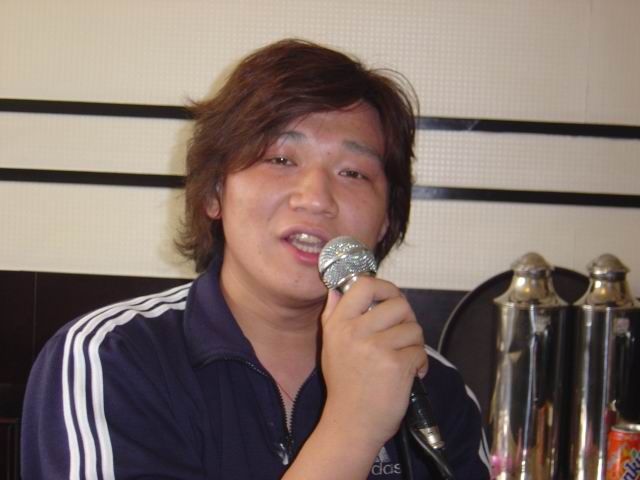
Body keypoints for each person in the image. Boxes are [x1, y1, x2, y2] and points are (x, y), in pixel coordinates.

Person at [21, 39, 490, 479]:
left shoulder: (433, 385)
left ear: (386, 220)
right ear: (214, 193)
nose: (316, 198)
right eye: (280, 160)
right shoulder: (111, 358)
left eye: (353, 172)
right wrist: (354, 425)